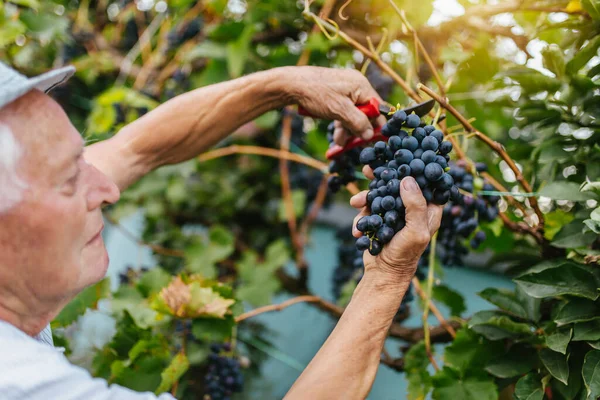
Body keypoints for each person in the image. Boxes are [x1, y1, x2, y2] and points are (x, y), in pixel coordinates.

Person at [0, 62, 441, 400]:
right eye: (68, 178)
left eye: (85, 159)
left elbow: (137, 149)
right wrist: (388, 275)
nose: (108, 188)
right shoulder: (23, 383)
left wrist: (284, 84)